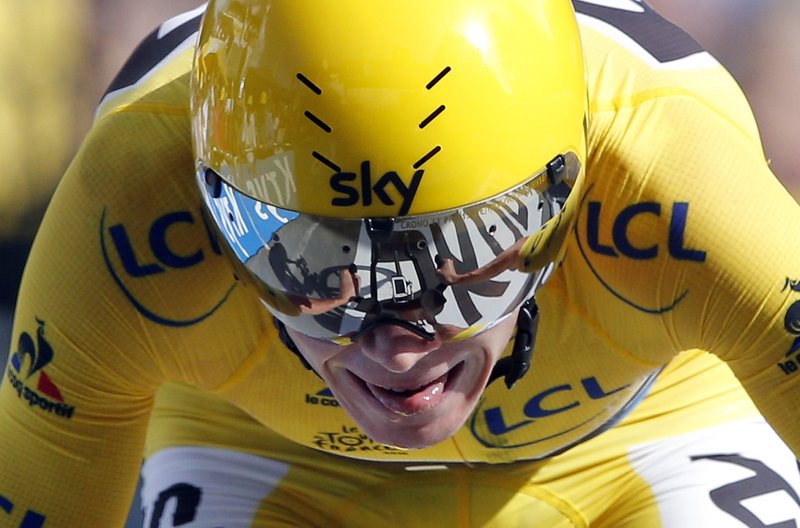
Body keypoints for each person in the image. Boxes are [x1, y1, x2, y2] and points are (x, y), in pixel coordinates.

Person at [2, 0, 800, 526]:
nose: (396, 346)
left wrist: (307, 279)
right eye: (311, 261)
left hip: (644, 433)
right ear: (210, 203)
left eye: (459, 256)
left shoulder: (669, 171)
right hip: (267, 455)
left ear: (578, 184)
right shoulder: (133, 190)